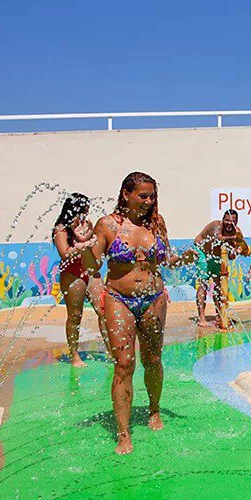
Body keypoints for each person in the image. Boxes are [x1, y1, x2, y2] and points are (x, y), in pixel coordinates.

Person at [81, 172, 196, 455]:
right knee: (124, 363)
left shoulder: (157, 223)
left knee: (152, 359)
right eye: (143, 196)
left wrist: (185, 258)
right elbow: (93, 265)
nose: (148, 201)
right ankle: (123, 433)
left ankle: (154, 409)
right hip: (119, 299)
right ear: (126, 194)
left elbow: (167, 259)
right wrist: (84, 247)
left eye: (152, 196)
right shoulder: (108, 225)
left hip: (154, 299)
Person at [52, 193, 103, 367]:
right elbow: (65, 254)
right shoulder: (62, 229)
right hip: (72, 273)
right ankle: (74, 355)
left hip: (90, 270)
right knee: (75, 316)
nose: (86, 214)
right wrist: (81, 245)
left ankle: (112, 351)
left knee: (104, 311)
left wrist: (88, 238)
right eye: (84, 210)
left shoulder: (87, 226)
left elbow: (96, 249)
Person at [193, 210, 251, 330]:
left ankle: (219, 315)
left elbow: (231, 256)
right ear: (222, 220)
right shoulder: (216, 226)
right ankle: (202, 318)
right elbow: (217, 239)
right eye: (227, 220)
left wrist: (237, 250)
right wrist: (234, 239)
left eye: (233, 221)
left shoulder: (237, 232)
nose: (229, 223)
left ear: (237, 222)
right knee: (203, 284)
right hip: (203, 252)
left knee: (219, 286)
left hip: (217, 256)